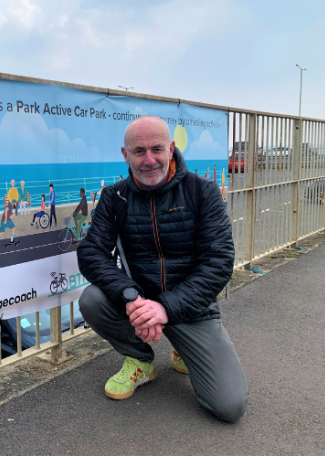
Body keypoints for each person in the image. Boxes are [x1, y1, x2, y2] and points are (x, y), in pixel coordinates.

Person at [76, 115, 247, 423]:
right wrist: (131, 296)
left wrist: (166, 309)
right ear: (125, 154)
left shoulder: (202, 191)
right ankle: (141, 361)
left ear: (171, 149)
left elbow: (219, 261)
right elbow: (91, 253)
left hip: (190, 308)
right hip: (140, 304)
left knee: (229, 406)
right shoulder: (115, 198)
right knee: (91, 299)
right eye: (139, 151)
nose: (149, 159)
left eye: (157, 149)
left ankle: (184, 348)